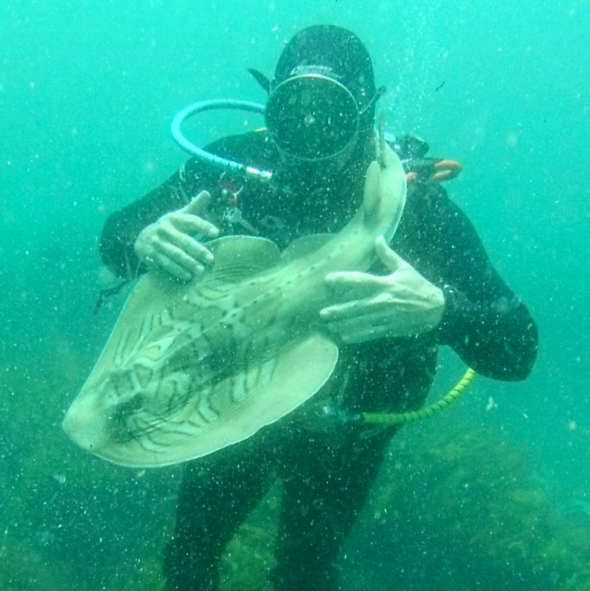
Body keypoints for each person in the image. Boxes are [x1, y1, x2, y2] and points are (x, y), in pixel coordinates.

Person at [99, 25, 538, 591]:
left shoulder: (420, 213)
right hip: (235, 404)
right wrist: (141, 240)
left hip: (350, 424)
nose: (308, 133)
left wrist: (441, 311)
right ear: (269, 105)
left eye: (330, 114)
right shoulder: (231, 170)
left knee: (305, 571)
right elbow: (114, 237)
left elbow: (518, 348)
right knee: (189, 556)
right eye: (291, 112)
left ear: (365, 114)